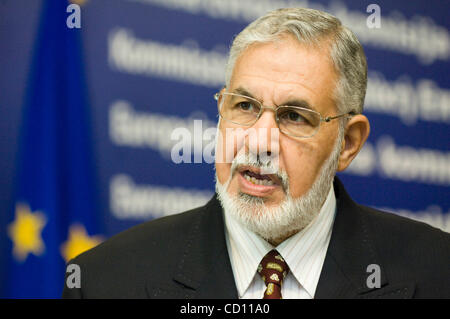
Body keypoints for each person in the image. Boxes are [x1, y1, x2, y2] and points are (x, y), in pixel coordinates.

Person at [62, 7, 450, 299]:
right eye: (244, 106)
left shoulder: (437, 271)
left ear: (348, 142)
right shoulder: (104, 281)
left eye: (294, 116)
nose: (258, 142)